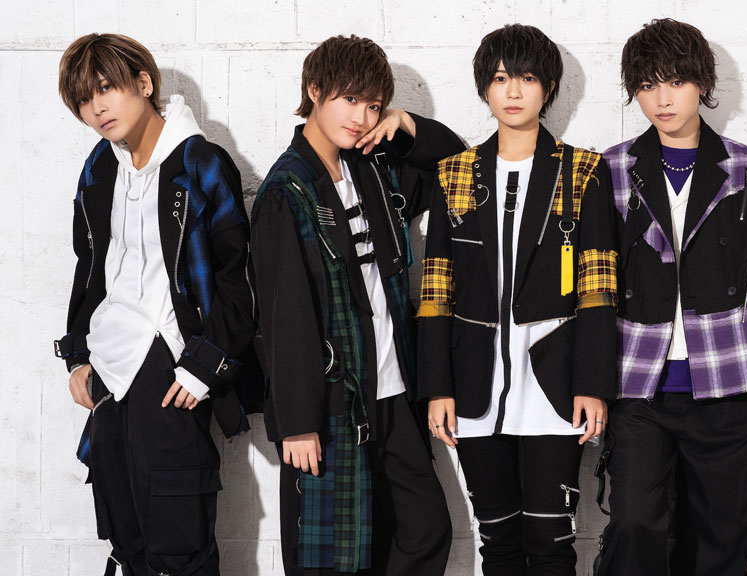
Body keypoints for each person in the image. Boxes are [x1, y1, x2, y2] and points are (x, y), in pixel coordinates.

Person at [250, 34, 465, 576]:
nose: (361, 117)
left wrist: (406, 124)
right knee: (334, 554)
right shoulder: (286, 191)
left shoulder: (372, 167)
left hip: (392, 389)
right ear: (314, 91)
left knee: (424, 528)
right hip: (331, 402)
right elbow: (284, 317)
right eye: (349, 100)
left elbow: (459, 167)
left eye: (372, 105)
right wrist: (297, 423)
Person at [595, 19, 747, 576]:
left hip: (733, 386)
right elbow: (594, 284)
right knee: (634, 527)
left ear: (703, 83)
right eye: (647, 85)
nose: (662, 99)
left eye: (676, 81)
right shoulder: (612, 169)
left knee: (721, 545)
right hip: (639, 386)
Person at [416, 23, 618, 576]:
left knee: (552, 545)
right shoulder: (454, 173)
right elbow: (436, 291)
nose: (513, 91)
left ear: (547, 87)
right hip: (474, 383)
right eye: (501, 78)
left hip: (555, 382)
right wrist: (438, 387)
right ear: (485, 86)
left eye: (527, 78)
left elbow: (598, 290)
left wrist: (593, 384)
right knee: (498, 544)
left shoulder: (582, 171)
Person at [55, 33, 256, 575]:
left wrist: (205, 365)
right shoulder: (100, 168)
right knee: (127, 540)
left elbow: (239, 279)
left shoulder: (200, 164)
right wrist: (78, 356)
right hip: (109, 369)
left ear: (143, 84)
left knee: (179, 545)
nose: (96, 108)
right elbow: (89, 268)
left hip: (169, 366)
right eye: (83, 99)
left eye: (106, 88)